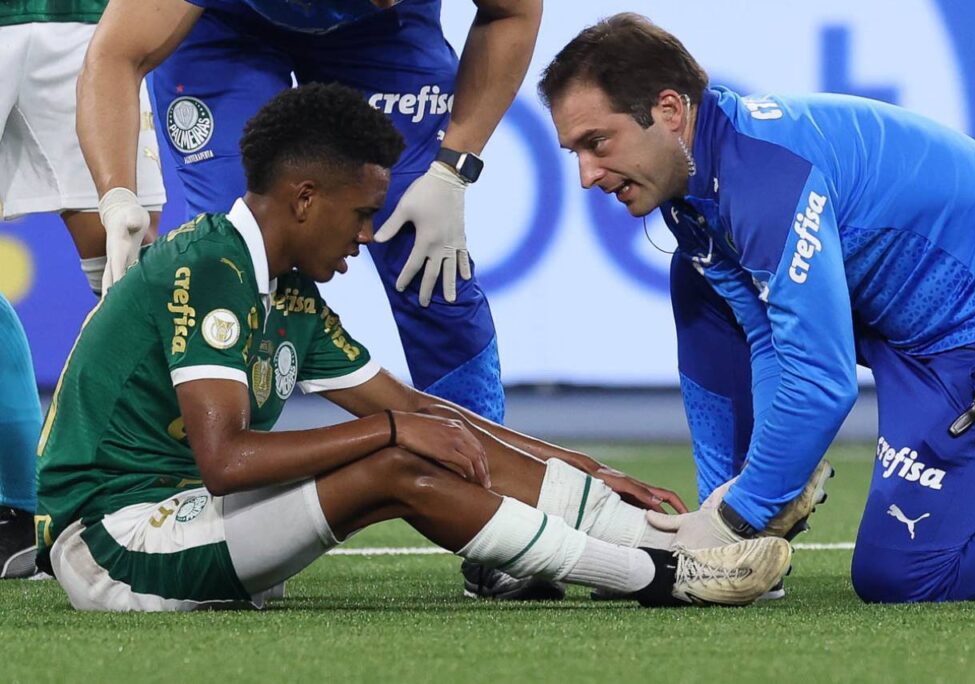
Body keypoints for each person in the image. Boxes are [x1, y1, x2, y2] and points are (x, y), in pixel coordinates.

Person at [35, 84, 796, 612]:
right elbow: (225, 458)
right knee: (396, 462)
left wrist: (585, 470)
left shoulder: (287, 286)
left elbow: (411, 406)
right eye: (362, 212)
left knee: (424, 437)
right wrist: (394, 430)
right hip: (115, 546)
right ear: (304, 198)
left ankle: (676, 543)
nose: (368, 237)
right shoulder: (211, 268)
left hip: (192, 515)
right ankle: (660, 579)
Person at [541, 13, 975, 604]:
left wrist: (735, 519)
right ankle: (735, 536)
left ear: (669, 112)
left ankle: (732, 524)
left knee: (902, 577)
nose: (587, 175)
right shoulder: (696, 177)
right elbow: (768, 338)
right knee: (702, 288)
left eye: (597, 143)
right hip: (904, 315)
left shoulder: (764, 185)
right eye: (574, 153)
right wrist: (746, 508)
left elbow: (821, 382)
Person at [0, 0, 165, 577]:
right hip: (85, 25)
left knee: (132, 277)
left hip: (98, 24)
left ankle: (149, 496)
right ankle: (15, 511)